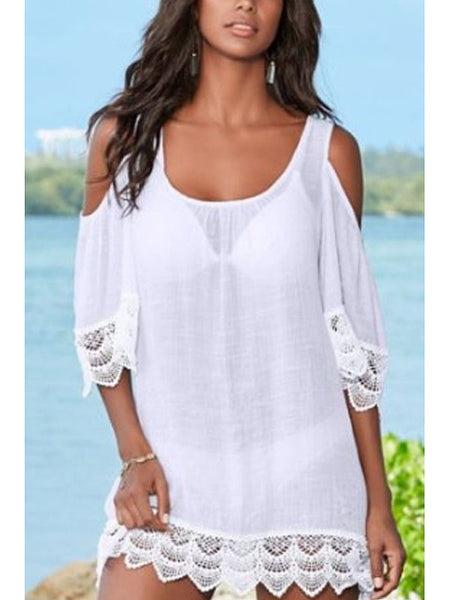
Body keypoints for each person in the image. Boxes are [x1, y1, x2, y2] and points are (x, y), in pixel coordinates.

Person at [72, 1, 407, 599]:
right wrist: (134, 453)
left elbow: (351, 349)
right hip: (172, 471)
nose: (246, 2)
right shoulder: (124, 141)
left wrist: (378, 503)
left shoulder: (328, 154)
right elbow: (100, 323)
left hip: (309, 473)